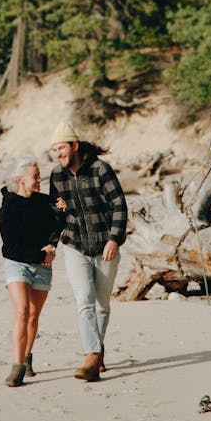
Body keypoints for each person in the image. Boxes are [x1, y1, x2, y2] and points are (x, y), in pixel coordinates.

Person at [48, 119, 128, 382]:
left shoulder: (99, 170)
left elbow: (119, 205)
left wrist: (114, 239)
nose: (58, 154)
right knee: (84, 300)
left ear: (75, 145)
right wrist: (55, 218)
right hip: (74, 245)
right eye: (55, 150)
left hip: (105, 244)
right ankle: (91, 356)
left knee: (102, 303)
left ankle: (98, 350)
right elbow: (54, 213)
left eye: (61, 148)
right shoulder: (57, 175)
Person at [0, 157, 62, 387]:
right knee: (22, 312)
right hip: (18, 264)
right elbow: (10, 247)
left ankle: (27, 356)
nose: (39, 179)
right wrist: (40, 255)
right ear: (20, 179)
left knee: (34, 316)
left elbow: (57, 225)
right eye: (35, 176)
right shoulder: (8, 207)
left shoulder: (45, 202)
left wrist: (52, 246)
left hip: (43, 266)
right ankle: (17, 367)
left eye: (39, 175)